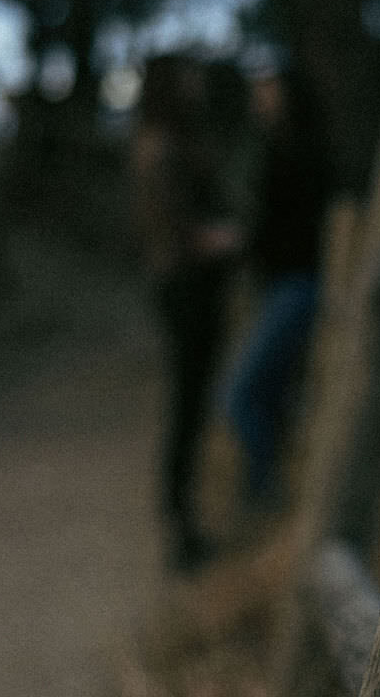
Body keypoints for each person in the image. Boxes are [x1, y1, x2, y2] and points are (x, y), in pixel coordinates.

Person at [129, 52, 241, 570]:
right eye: (186, 77)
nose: (196, 84)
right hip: (185, 288)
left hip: (183, 285)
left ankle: (183, 521)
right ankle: (181, 529)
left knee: (190, 404)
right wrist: (233, 240)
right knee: (187, 405)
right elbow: (181, 230)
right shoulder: (163, 148)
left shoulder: (167, 143)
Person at [222, 58, 334, 510]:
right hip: (284, 285)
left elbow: (290, 227)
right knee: (271, 392)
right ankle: (268, 488)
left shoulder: (298, 152)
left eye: (269, 89)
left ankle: (263, 490)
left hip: (297, 286)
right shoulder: (272, 147)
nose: (259, 97)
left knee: (239, 395)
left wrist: (243, 242)